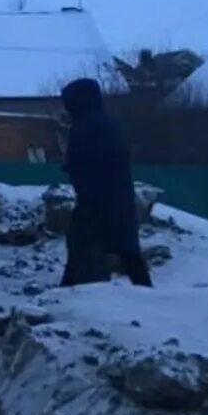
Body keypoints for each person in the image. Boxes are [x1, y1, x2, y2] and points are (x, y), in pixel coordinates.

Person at [58, 78, 152, 288]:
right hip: (118, 200)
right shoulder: (110, 124)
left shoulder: (86, 127)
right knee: (128, 254)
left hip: (96, 204)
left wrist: (73, 168)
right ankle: (149, 295)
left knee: (84, 251)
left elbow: (85, 162)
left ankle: (79, 299)